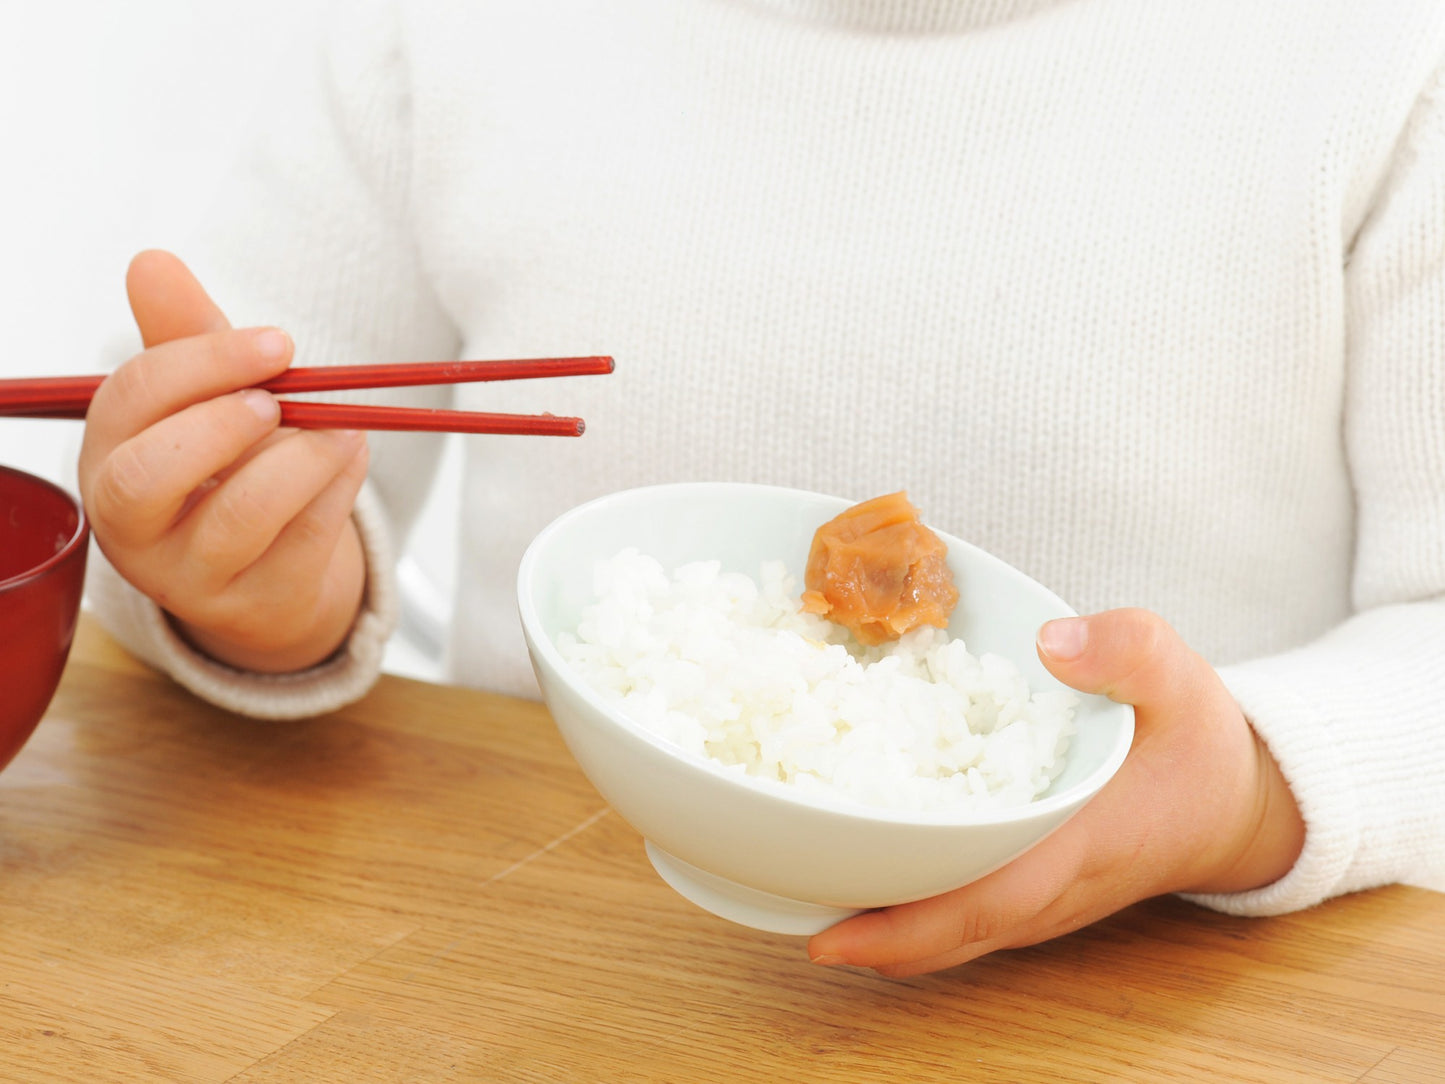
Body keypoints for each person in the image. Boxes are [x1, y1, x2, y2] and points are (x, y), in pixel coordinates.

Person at [78, 0, 1445, 977]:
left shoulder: (1383, 53)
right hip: (520, 935)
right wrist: (257, 595)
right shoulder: (442, 32)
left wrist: (1251, 790)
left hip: (1171, 984)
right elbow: (222, 441)